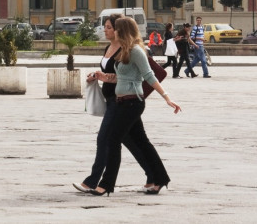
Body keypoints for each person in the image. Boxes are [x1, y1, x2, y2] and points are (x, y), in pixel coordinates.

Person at [84, 17, 180, 196]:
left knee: (113, 140)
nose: (113, 31)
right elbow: (122, 76)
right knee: (142, 143)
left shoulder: (136, 50)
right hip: (122, 102)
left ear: (124, 31)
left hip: (132, 103)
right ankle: (160, 178)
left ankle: (106, 185)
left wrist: (167, 98)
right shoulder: (124, 51)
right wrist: (103, 77)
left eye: (116, 29)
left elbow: (149, 76)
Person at [74, 14, 158, 194]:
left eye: (109, 27)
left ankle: (93, 181)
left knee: (104, 138)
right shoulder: (109, 47)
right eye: (105, 27)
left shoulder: (127, 49)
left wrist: (166, 97)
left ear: (119, 29)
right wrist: (96, 76)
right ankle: (153, 176)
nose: (105, 30)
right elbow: (108, 72)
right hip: (113, 99)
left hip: (122, 101)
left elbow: (130, 75)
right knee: (132, 141)